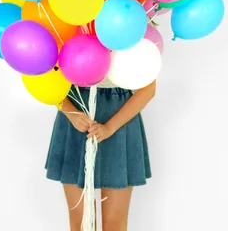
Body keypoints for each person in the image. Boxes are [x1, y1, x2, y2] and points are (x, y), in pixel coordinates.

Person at [45, 77, 156, 230]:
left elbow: (149, 88)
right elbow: (47, 77)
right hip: (76, 114)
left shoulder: (134, 52)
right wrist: (71, 113)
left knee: (114, 223)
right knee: (81, 221)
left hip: (120, 119)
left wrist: (110, 127)